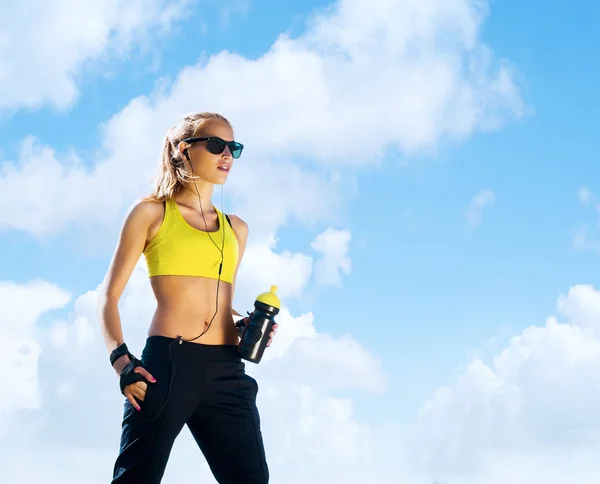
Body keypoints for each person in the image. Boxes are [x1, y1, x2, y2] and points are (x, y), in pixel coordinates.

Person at [97, 112, 277, 483]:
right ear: (184, 150)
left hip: (228, 369)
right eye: (215, 145)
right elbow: (108, 296)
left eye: (233, 147)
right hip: (168, 366)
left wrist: (245, 327)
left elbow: (218, 301)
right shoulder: (151, 213)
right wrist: (122, 362)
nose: (226, 154)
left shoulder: (236, 229)